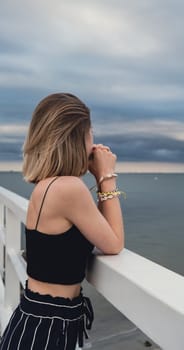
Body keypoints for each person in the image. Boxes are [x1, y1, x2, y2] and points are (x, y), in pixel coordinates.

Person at [0, 92, 124, 350]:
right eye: (90, 134)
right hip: (47, 329)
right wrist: (106, 176)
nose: (93, 144)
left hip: (38, 320)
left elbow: (99, 231)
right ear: (76, 138)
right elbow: (113, 243)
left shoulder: (48, 186)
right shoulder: (69, 189)